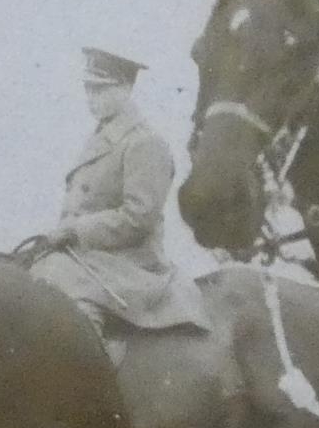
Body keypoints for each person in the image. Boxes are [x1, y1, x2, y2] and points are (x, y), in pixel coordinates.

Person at [31, 48, 208, 357]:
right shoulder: (101, 137)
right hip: (90, 255)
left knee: (70, 301)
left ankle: (92, 377)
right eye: (88, 89)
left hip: (128, 263)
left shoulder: (145, 142)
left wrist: (76, 229)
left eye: (100, 89)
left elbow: (139, 217)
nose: (91, 97)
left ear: (126, 89)